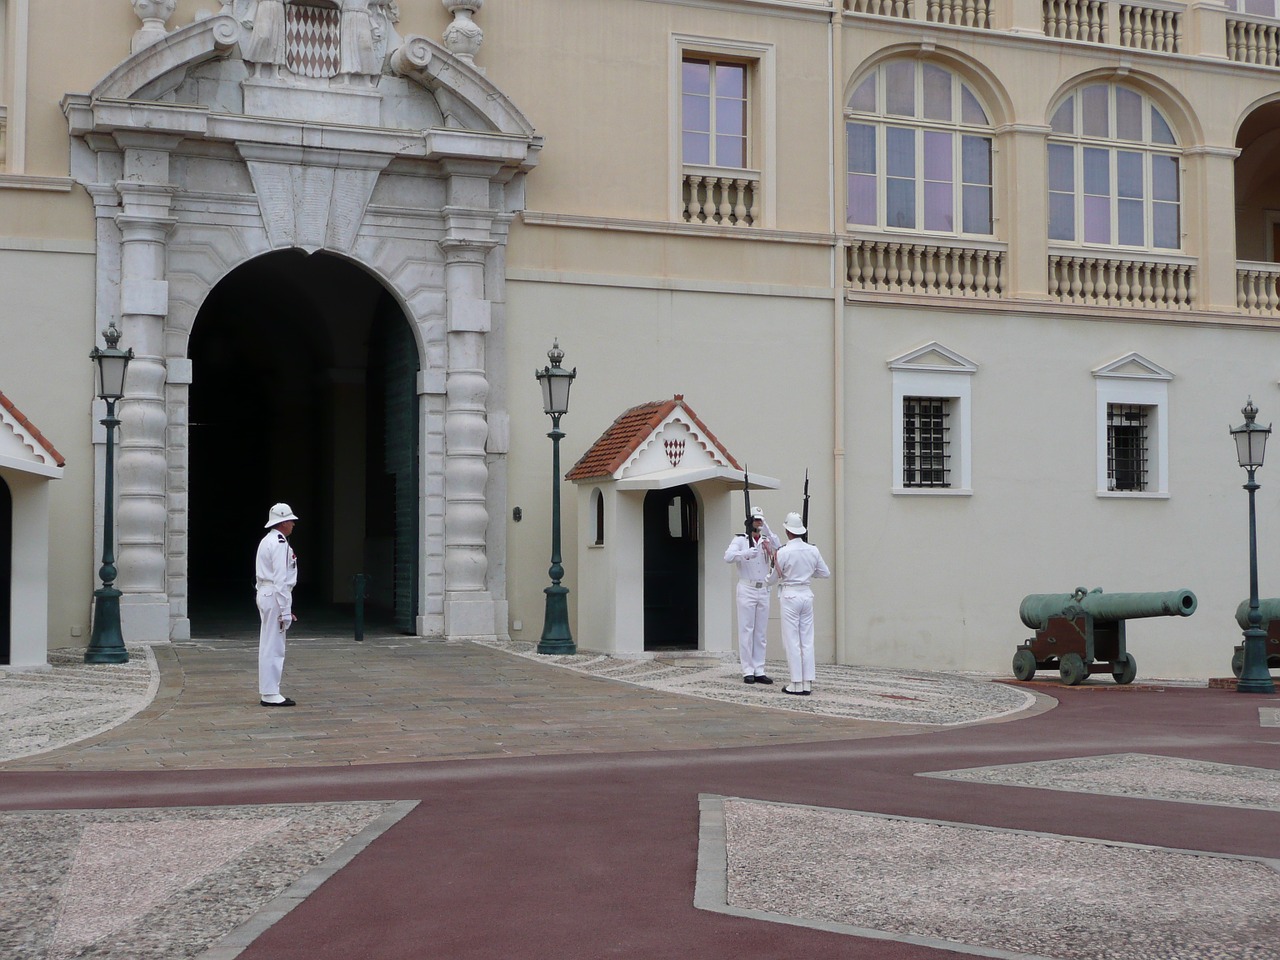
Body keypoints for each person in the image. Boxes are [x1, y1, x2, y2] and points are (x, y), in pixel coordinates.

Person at [773, 511, 830, 696]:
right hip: (806, 594)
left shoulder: (783, 551)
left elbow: (774, 577)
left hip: (790, 595)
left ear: (788, 531)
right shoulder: (813, 550)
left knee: (792, 640)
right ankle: (807, 682)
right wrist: (806, 573)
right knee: (807, 639)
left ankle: (795, 682)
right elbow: (824, 572)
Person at [723, 506, 780, 685]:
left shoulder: (766, 540)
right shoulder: (741, 540)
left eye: (761, 520)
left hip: (762, 588)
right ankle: (747, 670)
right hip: (747, 588)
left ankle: (759, 669)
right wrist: (744, 553)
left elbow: (778, 547)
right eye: (756, 520)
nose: (759, 523)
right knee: (746, 629)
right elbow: (728, 557)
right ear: (749, 522)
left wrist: (767, 531)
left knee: (761, 632)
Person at [256, 502, 299, 707]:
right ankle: (271, 692)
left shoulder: (267, 540)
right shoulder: (280, 543)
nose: (293, 524)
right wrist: (285, 610)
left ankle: (269, 690)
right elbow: (281, 580)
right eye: (290, 520)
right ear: (282, 522)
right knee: (274, 646)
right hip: (274, 594)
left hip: (266, 592)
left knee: (268, 643)